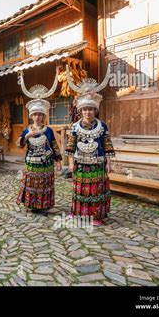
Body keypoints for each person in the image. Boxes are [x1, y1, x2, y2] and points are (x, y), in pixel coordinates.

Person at [65, 93, 115, 226]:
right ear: (80, 111)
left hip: (97, 163)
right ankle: (77, 212)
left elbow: (107, 146)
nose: (88, 112)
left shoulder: (102, 126)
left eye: (91, 109)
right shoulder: (75, 126)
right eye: (85, 109)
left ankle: (95, 216)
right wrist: (70, 163)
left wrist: (108, 163)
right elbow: (71, 145)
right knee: (79, 189)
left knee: (96, 190)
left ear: (95, 110)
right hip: (80, 163)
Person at [16, 99, 62, 214]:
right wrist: (27, 136)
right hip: (32, 163)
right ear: (31, 116)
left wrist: (58, 161)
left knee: (45, 184)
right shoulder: (26, 130)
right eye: (35, 114)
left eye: (40, 115)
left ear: (43, 116)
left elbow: (54, 145)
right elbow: (20, 145)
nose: (37, 117)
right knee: (32, 183)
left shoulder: (48, 131)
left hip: (46, 163)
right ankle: (32, 204)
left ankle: (44, 205)